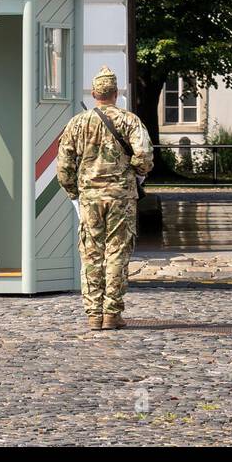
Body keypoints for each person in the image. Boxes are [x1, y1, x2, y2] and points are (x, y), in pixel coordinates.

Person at [56, 66, 154, 331]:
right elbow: (144, 155)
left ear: (94, 93)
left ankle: (93, 314)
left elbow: (63, 165)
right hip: (121, 197)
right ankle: (112, 313)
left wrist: (74, 193)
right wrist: (135, 176)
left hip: (90, 198)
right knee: (117, 253)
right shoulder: (129, 120)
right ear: (116, 92)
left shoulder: (77, 123)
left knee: (91, 254)